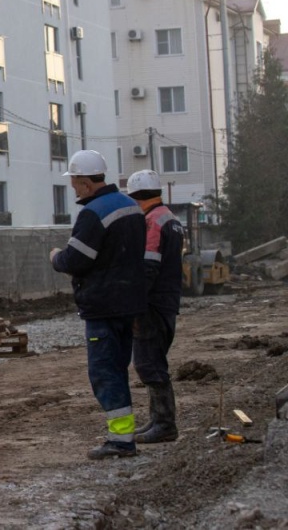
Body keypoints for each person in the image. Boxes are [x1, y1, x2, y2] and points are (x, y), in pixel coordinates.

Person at [50, 150, 148, 460]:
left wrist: (55, 258)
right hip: (128, 301)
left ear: (87, 182)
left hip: (103, 304)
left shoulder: (93, 213)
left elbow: (76, 260)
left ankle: (121, 440)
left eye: (75, 183)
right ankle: (124, 435)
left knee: (105, 372)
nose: (74, 189)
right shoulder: (131, 207)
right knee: (118, 368)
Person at [126, 169, 183, 444]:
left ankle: (164, 423)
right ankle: (157, 420)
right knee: (154, 361)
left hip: (153, 304)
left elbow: (148, 268)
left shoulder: (152, 222)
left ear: (136, 196)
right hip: (167, 302)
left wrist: (134, 305)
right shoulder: (170, 218)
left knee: (149, 364)